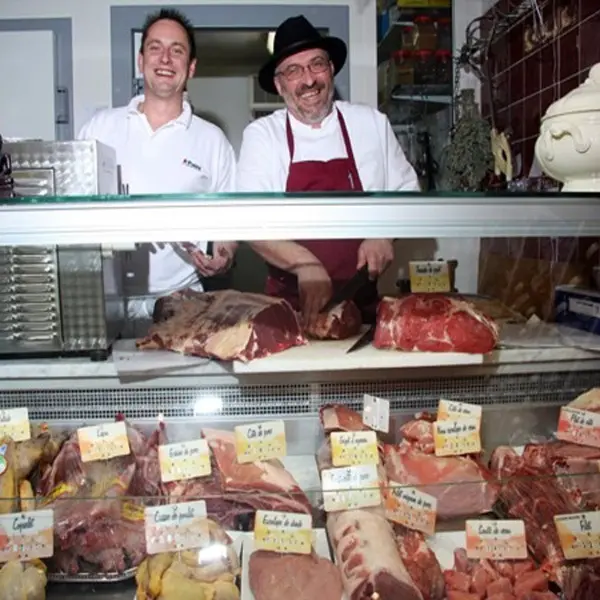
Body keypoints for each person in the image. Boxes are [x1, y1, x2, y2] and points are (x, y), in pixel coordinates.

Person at [237, 15, 419, 326]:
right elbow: (250, 223)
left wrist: (383, 234)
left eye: (317, 64)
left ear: (331, 69)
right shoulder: (263, 135)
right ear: (279, 85)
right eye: (293, 71)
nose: (309, 80)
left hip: (361, 308)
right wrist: (305, 265)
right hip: (290, 311)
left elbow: (408, 193)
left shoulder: (371, 123)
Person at [78, 8, 237, 327]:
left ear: (191, 67)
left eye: (177, 50)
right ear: (141, 61)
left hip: (183, 304)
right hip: (103, 301)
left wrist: (224, 256)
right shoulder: (99, 128)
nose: (165, 59)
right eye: (155, 48)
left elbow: (229, 226)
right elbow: (74, 212)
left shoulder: (212, 140)